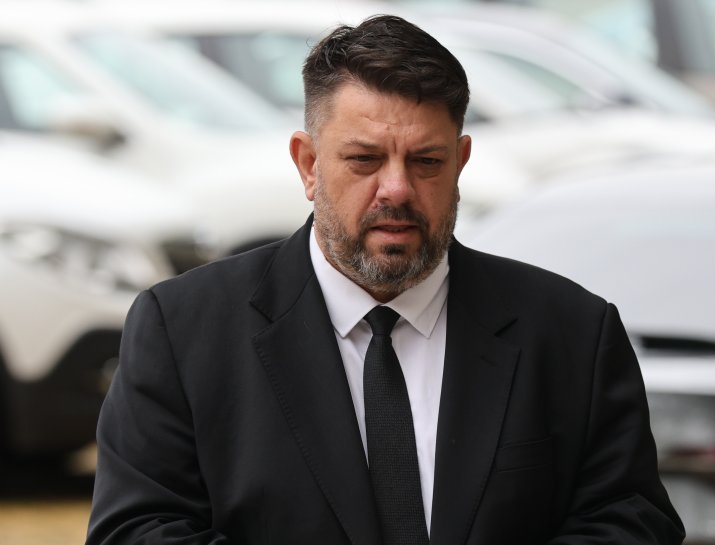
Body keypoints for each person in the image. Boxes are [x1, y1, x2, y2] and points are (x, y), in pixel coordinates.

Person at [86, 14, 684, 545]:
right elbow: (136, 528)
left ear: (460, 163)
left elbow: (630, 519)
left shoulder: (572, 332)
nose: (396, 189)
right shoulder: (182, 330)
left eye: (426, 162)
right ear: (308, 164)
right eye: (365, 159)